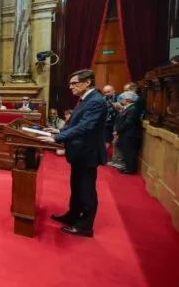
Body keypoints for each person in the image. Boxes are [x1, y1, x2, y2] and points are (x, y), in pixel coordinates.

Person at [39, 69, 107, 238]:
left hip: (88, 153)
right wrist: (57, 130)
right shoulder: (85, 100)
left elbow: (85, 126)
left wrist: (58, 138)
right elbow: (74, 122)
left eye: (74, 83)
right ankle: (72, 215)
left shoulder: (96, 101)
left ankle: (85, 226)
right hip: (79, 152)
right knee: (76, 187)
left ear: (87, 83)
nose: (70, 87)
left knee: (86, 189)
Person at [114, 91, 143, 175]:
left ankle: (130, 169)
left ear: (127, 100)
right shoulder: (129, 108)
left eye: (123, 98)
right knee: (126, 151)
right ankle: (127, 166)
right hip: (126, 134)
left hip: (130, 135)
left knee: (130, 152)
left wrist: (118, 130)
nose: (121, 100)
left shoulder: (133, 109)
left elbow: (128, 122)